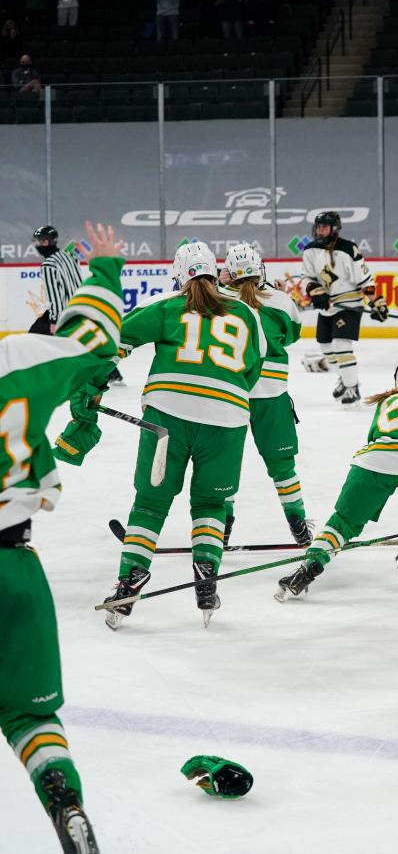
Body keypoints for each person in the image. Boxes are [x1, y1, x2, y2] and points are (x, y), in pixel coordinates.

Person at [0, 220, 121, 854]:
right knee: (29, 715)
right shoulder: (16, 357)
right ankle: (64, 801)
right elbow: (96, 343)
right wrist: (104, 268)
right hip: (13, 565)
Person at [101, 241, 265, 630]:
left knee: (151, 503)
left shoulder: (167, 305)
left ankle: (130, 583)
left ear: (180, 273)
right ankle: (206, 576)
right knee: (211, 502)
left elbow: (114, 343)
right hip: (227, 419)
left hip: (168, 417)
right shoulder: (245, 311)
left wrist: (91, 385)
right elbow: (254, 369)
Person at [274, 363, 398, 602]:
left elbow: (374, 436)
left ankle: (305, 570)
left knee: (343, 523)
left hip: (375, 460)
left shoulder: (385, 401)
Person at [219, 243, 312, 547]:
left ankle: (221, 526)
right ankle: (297, 520)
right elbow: (292, 335)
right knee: (282, 464)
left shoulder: (216, 298)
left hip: (230, 389)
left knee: (225, 460)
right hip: (272, 391)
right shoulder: (282, 300)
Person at [299, 211, 381, 407]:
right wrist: (316, 292)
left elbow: (364, 279)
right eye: (318, 227)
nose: (320, 230)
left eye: (324, 227)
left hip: (349, 303)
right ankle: (344, 379)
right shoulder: (310, 250)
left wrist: (377, 302)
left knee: (340, 345)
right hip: (327, 307)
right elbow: (307, 278)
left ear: (334, 228)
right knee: (326, 347)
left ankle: (352, 387)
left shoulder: (348, 249)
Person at [28, 225, 79, 336]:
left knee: (32, 338)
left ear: (46, 242)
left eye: (37, 242)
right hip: (80, 308)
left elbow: (55, 296)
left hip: (64, 314)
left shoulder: (48, 265)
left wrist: (55, 321)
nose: (36, 245)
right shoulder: (71, 256)